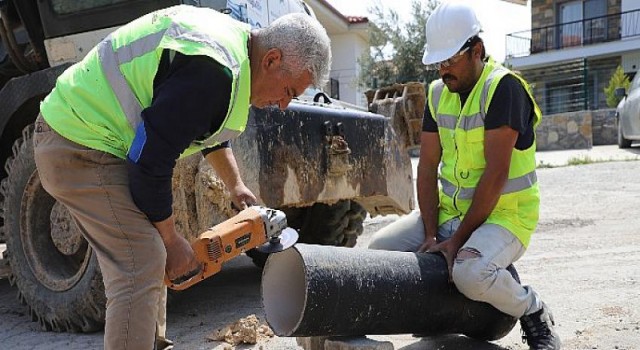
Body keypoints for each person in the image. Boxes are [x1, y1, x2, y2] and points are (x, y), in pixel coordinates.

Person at [33, 5, 331, 350]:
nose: (283, 105)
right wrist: (174, 241)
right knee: (140, 260)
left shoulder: (234, 52)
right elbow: (149, 162)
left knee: (148, 253)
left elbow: (208, 128)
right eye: (289, 92)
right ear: (272, 60)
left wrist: (236, 186)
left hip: (93, 136)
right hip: (76, 142)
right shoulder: (213, 69)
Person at [367, 2, 560, 349]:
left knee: (469, 273)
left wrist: (455, 244)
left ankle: (533, 309)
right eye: (438, 62)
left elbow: (496, 176)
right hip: (449, 214)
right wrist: (430, 234)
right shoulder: (438, 94)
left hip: (505, 218)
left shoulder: (503, 88)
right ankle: (437, 314)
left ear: (477, 51)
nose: (443, 70)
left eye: (450, 61)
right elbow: (426, 168)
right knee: (380, 252)